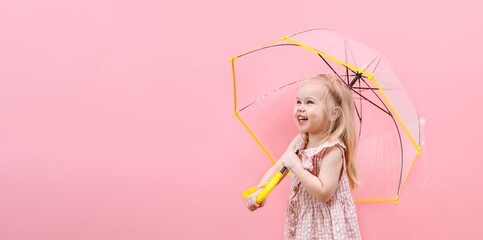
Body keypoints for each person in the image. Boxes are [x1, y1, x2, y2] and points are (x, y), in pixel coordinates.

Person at [246, 74, 361, 239]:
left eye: (310, 102)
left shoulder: (333, 150)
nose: (300, 107)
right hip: (305, 219)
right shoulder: (300, 141)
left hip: (327, 226)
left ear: (333, 113)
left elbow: (323, 193)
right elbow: (278, 167)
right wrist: (261, 190)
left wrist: (297, 167)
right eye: (298, 101)